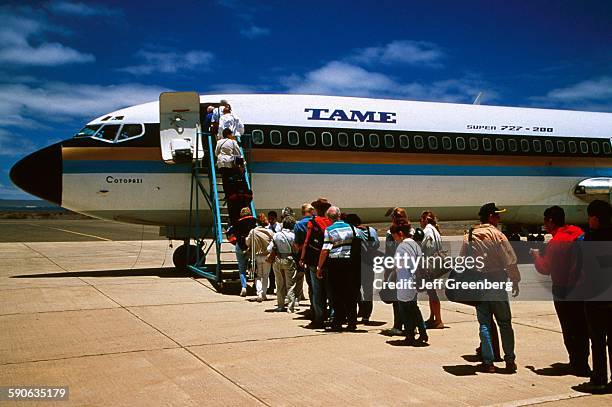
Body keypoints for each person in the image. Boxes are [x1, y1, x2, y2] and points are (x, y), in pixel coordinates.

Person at [531, 206, 590, 376]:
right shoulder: (577, 232)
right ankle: (583, 362)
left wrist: (536, 256)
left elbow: (545, 268)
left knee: (569, 327)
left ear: (550, 221)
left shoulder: (556, 243)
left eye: (545, 220)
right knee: (582, 327)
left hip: (564, 289)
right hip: (582, 288)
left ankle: (576, 363)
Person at [462, 202, 521, 373]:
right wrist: (515, 280)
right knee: (504, 323)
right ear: (490, 217)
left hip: (479, 284)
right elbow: (510, 260)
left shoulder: (469, 236)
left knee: (484, 324)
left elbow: (463, 262)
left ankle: (488, 363)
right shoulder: (497, 235)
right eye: (497, 215)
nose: (499, 218)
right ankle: (509, 360)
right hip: (496, 283)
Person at [576, 200, 612, 393]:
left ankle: (599, 378)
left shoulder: (588, 240)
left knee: (597, 341)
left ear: (595, 218)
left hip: (596, 298)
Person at [316, 206, 364, 331]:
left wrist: (319, 267)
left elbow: (325, 250)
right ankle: (352, 322)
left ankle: (338, 321)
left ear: (328, 218)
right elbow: (363, 239)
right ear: (339, 216)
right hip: (351, 264)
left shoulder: (329, 230)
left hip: (335, 264)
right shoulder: (352, 227)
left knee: (336, 293)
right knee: (351, 293)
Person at [390, 221, 427, 345]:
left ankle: (410, 334)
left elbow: (397, 265)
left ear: (400, 234)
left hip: (405, 280)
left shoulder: (402, 247)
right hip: (415, 281)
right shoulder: (415, 244)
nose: (394, 239)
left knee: (405, 310)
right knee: (414, 308)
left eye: (394, 236)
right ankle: (422, 331)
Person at [300, 198, 333, 328]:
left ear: (317, 209)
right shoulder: (331, 222)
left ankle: (319, 318)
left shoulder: (312, 223)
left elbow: (307, 241)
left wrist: (302, 257)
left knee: (317, 291)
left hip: (314, 261)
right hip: (330, 260)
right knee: (330, 291)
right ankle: (332, 316)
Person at [382, 207, 412, 337]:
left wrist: (387, 274)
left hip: (396, 268)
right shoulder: (412, 231)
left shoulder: (391, 233)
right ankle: (411, 326)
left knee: (396, 300)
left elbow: (389, 254)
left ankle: (398, 325)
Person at [345, 213, 380, 324]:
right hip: (369, 263)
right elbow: (377, 244)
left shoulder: (354, 231)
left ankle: (355, 313)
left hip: (357, 264)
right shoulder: (372, 230)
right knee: (368, 290)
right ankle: (366, 315)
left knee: (355, 289)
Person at [419, 211, 445, 329]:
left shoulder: (427, 231)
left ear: (425, 220)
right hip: (436, 262)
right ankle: (432, 317)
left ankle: (438, 320)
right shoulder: (434, 230)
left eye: (421, 220)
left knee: (432, 293)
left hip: (430, 264)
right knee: (431, 292)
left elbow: (424, 245)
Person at [267, 217, 298, 312]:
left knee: (279, 283)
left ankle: (280, 305)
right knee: (290, 284)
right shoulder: (293, 236)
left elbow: (269, 249)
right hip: (289, 259)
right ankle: (290, 306)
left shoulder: (276, 235)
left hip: (277, 259)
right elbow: (296, 250)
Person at [246, 213, 274, 302]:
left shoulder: (253, 231)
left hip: (257, 256)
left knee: (258, 276)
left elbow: (247, 242)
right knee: (266, 276)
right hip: (267, 257)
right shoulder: (269, 232)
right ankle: (264, 294)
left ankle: (259, 293)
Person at [229, 207, 257, 297]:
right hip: (251, 247)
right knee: (254, 267)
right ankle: (256, 286)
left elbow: (231, 233)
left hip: (240, 247)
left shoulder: (237, 223)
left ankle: (244, 287)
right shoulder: (254, 222)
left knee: (242, 269)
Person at [295, 203, 315, 317]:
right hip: (322, 255)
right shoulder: (319, 222)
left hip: (308, 257)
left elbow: (297, 244)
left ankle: (314, 309)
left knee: (311, 285)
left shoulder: (298, 225)